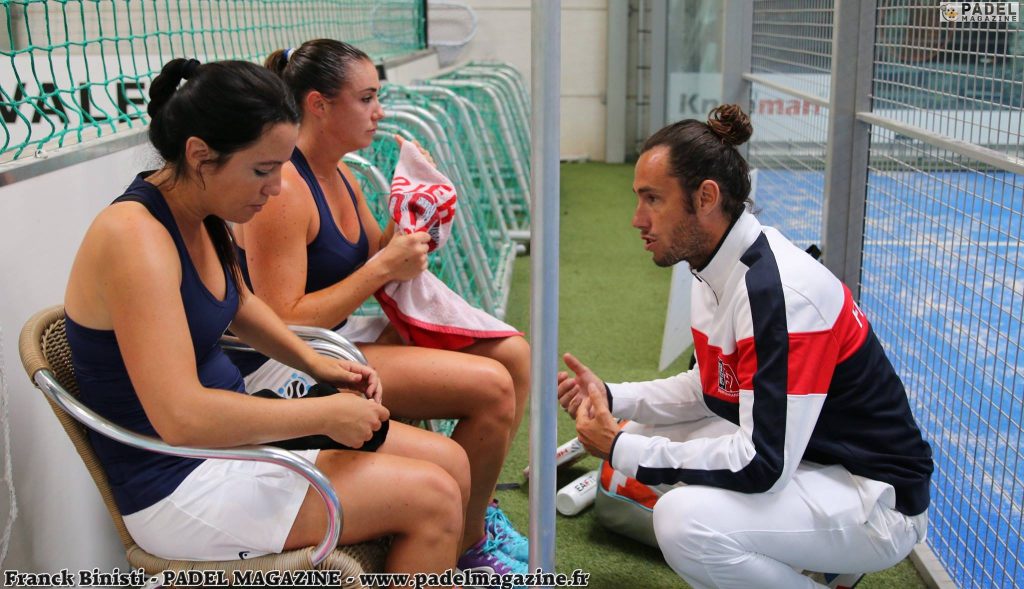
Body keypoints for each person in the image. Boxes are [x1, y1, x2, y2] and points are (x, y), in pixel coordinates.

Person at [64, 58, 469, 578]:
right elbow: (180, 418)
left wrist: (319, 365)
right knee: (431, 497)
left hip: (235, 442)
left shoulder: (200, 209)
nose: (277, 188)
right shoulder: (134, 238)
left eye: (282, 166)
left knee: (452, 464)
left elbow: (241, 303)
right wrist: (321, 416)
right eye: (263, 169)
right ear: (200, 155)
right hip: (181, 482)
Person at [557, 104, 934, 589]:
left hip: (873, 496)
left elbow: (761, 464)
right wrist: (613, 397)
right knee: (653, 430)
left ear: (706, 197)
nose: (637, 219)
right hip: (815, 461)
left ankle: (828, 560)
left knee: (682, 520)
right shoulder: (717, 263)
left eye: (652, 199)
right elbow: (709, 389)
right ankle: (812, 564)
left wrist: (620, 447)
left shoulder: (777, 294)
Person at [230, 39, 530, 573]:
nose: (380, 112)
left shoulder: (341, 173)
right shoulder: (286, 189)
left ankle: (475, 520)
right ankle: (467, 543)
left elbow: (374, 258)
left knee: (513, 356)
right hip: (299, 362)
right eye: (367, 98)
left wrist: (414, 210)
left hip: (346, 337)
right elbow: (282, 322)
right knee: (494, 387)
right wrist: (384, 266)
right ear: (320, 105)